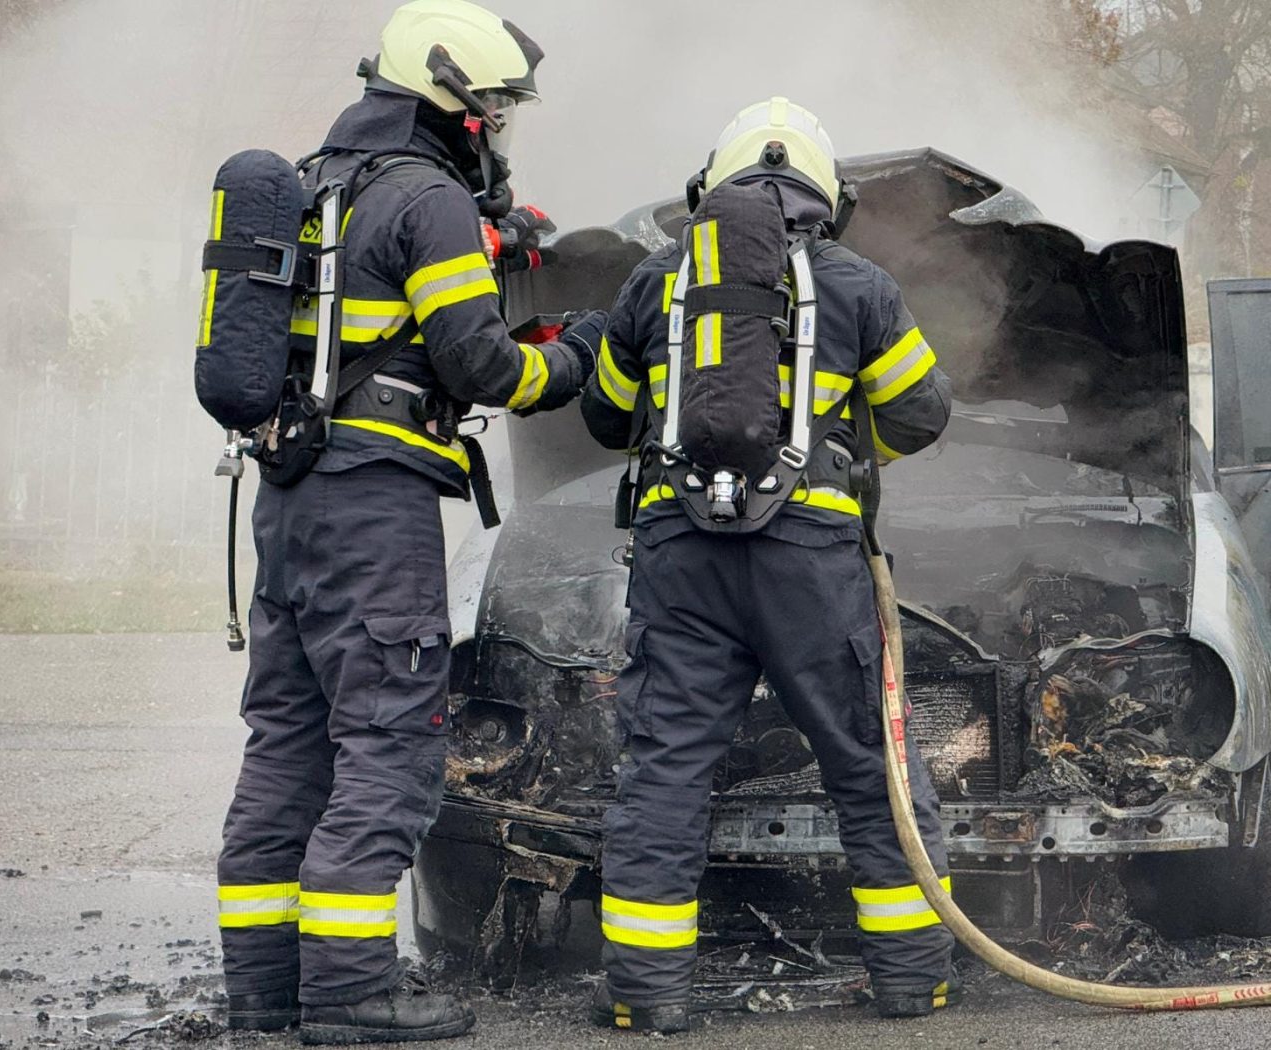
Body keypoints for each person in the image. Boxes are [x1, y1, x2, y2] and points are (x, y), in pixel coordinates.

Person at [215, 1, 603, 1043]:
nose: (499, 133)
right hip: (372, 507)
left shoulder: (320, 183)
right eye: (496, 113)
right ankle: (350, 997)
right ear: (456, 106)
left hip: (289, 498)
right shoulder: (426, 196)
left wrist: (495, 246)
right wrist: (571, 357)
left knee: (287, 747)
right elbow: (482, 367)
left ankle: (263, 989)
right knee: (387, 742)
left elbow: (370, 310)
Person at [580, 97, 955, 1033]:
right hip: (813, 567)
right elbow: (922, 412)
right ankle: (913, 981)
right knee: (870, 765)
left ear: (710, 189)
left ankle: (647, 995)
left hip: (679, 562)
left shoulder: (655, 281)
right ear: (830, 197)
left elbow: (604, 415)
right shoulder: (859, 285)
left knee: (664, 772)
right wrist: (835, 454)